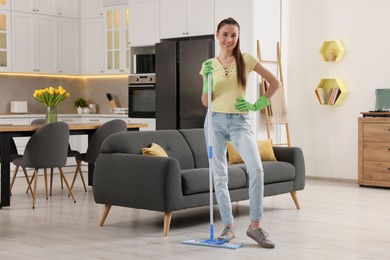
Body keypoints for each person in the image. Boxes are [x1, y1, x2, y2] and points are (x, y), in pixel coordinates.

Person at [200, 17, 281, 249]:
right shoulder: (208, 64)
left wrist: (257, 105)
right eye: (225, 34)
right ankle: (228, 226)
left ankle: (255, 227)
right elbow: (206, 102)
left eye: (233, 35)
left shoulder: (245, 59)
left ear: (238, 37)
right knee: (219, 175)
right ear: (217, 35)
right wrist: (206, 83)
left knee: (256, 169)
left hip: (240, 122)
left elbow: (275, 82)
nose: (229, 39)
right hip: (214, 121)